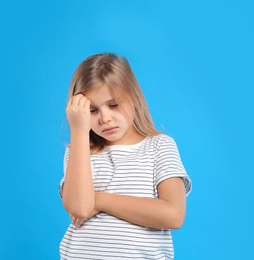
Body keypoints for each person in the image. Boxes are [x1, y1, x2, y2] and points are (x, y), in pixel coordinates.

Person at [59, 52, 192, 259]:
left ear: (134, 98)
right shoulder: (79, 149)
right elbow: (80, 208)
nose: (105, 118)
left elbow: (173, 215)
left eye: (114, 105)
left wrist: (100, 200)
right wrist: (78, 131)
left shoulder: (160, 146)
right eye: (92, 111)